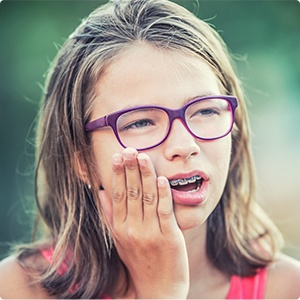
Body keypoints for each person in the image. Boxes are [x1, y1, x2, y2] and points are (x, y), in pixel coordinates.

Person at [0, 0, 300, 298]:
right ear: (82, 161)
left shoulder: (287, 288)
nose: (185, 146)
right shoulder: (17, 288)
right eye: (141, 122)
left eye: (206, 111)